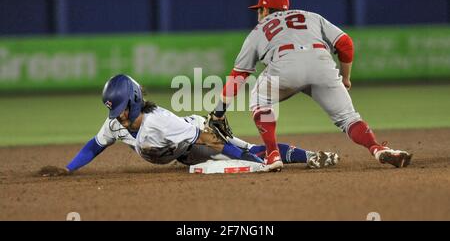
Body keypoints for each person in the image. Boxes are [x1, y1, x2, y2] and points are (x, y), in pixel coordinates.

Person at [208, 0, 412, 172]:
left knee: (259, 100)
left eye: (259, 10)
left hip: (285, 67)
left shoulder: (257, 31)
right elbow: (346, 44)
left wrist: (219, 112)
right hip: (321, 63)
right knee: (349, 117)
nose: (258, 15)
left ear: (265, 9)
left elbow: (238, 76)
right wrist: (345, 78)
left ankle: (273, 154)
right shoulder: (311, 16)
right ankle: (377, 148)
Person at [40, 74, 339, 177]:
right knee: (245, 154)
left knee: (255, 153)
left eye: (120, 109)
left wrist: (251, 162)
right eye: (113, 111)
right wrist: (69, 169)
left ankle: (310, 156)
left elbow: (211, 141)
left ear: (132, 101)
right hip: (182, 151)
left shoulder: (160, 123)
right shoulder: (116, 126)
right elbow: (95, 145)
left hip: (196, 138)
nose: (117, 116)